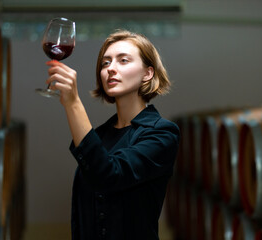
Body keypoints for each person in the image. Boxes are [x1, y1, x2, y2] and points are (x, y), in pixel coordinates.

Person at [45, 30, 180, 240]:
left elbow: (108, 175)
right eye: (105, 63)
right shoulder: (99, 135)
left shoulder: (162, 133)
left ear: (148, 73)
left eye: (123, 60)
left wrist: (73, 103)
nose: (111, 69)